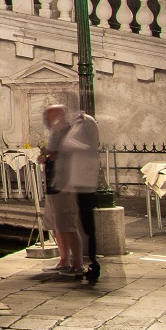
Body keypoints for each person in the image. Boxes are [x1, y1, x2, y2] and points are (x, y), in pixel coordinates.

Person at [52, 103, 103, 285]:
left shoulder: (84, 122)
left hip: (84, 184)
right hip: (79, 183)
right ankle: (89, 263)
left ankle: (91, 264)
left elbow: (70, 145)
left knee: (86, 227)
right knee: (84, 225)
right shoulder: (80, 123)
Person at [39, 103, 83, 276]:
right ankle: (64, 261)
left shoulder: (71, 133)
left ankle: (78, 265)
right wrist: (46, 156)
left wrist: (52, 154)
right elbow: (53, 153)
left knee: (68, 225)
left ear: (59, 116)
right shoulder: (55, 134)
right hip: (53, 184)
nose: (46, 120)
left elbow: (72, 154)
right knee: (58, 226)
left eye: (49, 117)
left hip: (65, 185)